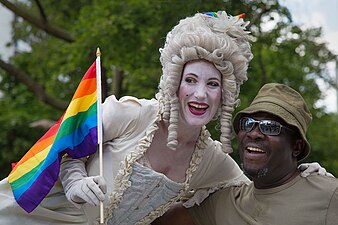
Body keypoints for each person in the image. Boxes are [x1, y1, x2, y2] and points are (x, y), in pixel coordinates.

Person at [0, 12, 325, 225]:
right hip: (42, 216)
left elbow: (255, 189)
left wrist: (300, 173)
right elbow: (69, 141)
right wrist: (73, 181)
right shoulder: (133, 114)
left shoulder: (214, 161)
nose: (200, 95)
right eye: (191, 80)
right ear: (174, 83)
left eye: (213, 84)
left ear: (225, 95)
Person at [152, 83, 338, 225]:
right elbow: (152, 219)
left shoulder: (329, 195)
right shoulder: (223, 202)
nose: (254, 133)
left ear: (296, 147)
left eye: (270, 127)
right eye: (248, 123)